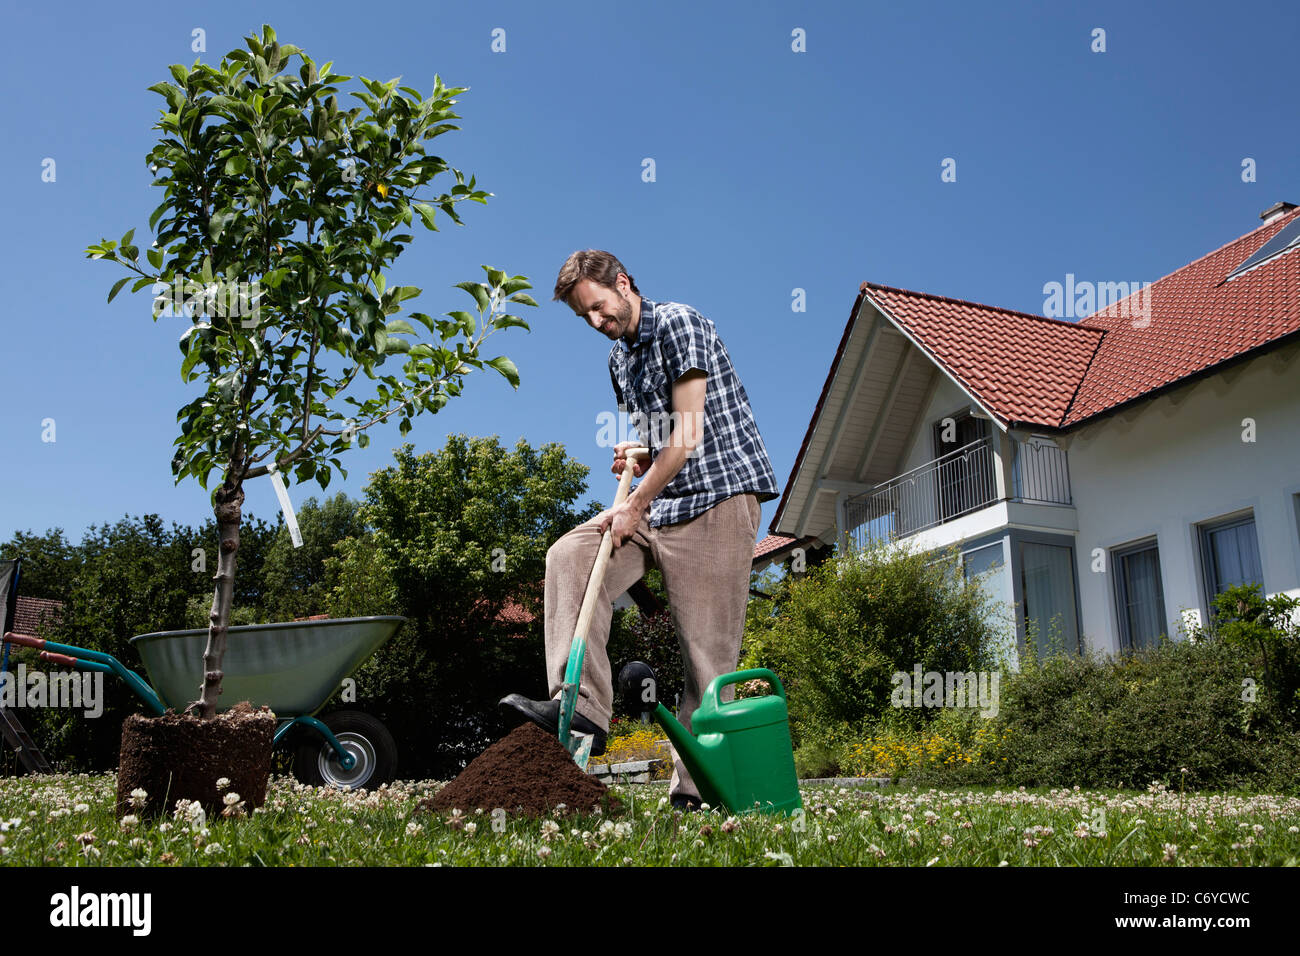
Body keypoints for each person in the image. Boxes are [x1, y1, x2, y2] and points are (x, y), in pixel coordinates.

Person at [500, 249, 778, 810]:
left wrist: (636, 500)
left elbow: (688, 435)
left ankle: (694, 794)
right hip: (662, 500)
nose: (599, 324)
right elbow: (660, 440)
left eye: (601, 308)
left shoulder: (680, 324)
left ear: (622, 283)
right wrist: (639, 452)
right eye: (587, 319)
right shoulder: (618, 361)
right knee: (570, 557)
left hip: (719, 498)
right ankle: (579, 707)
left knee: (707, 657)